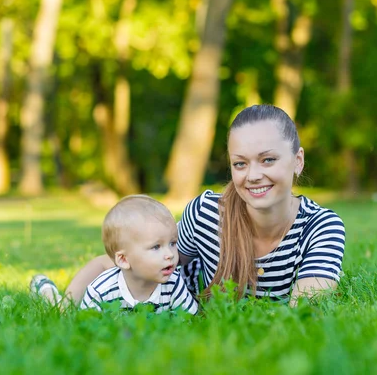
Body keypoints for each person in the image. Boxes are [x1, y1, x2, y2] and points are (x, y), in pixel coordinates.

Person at [64, 104, 345, 303]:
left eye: (268, 159)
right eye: (240, 163)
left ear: (298, 160)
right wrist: (65, 307)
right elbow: (128, 263)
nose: (253, 176)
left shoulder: (322, 227)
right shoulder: (207, 213)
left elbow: (306, 308)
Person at [30, 195, 198, 314]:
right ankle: (46, 290)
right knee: (62, 312)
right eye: (156, 247)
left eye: (172, 243)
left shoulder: (174, 284)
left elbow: (190, 321)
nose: (169, 254)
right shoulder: (101, 290)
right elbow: (85, 325)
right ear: (124, 259)